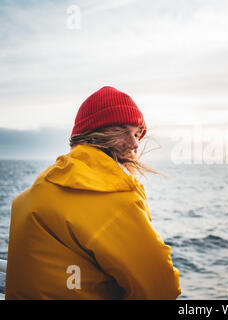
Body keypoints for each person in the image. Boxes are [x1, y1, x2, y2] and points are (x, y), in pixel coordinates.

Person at [5, 86, 181, 299]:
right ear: (93, 134)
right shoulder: (114, 197)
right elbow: (162, 287)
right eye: (121, 130)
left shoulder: (36, 191)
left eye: (136, 133)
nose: (135, 143)